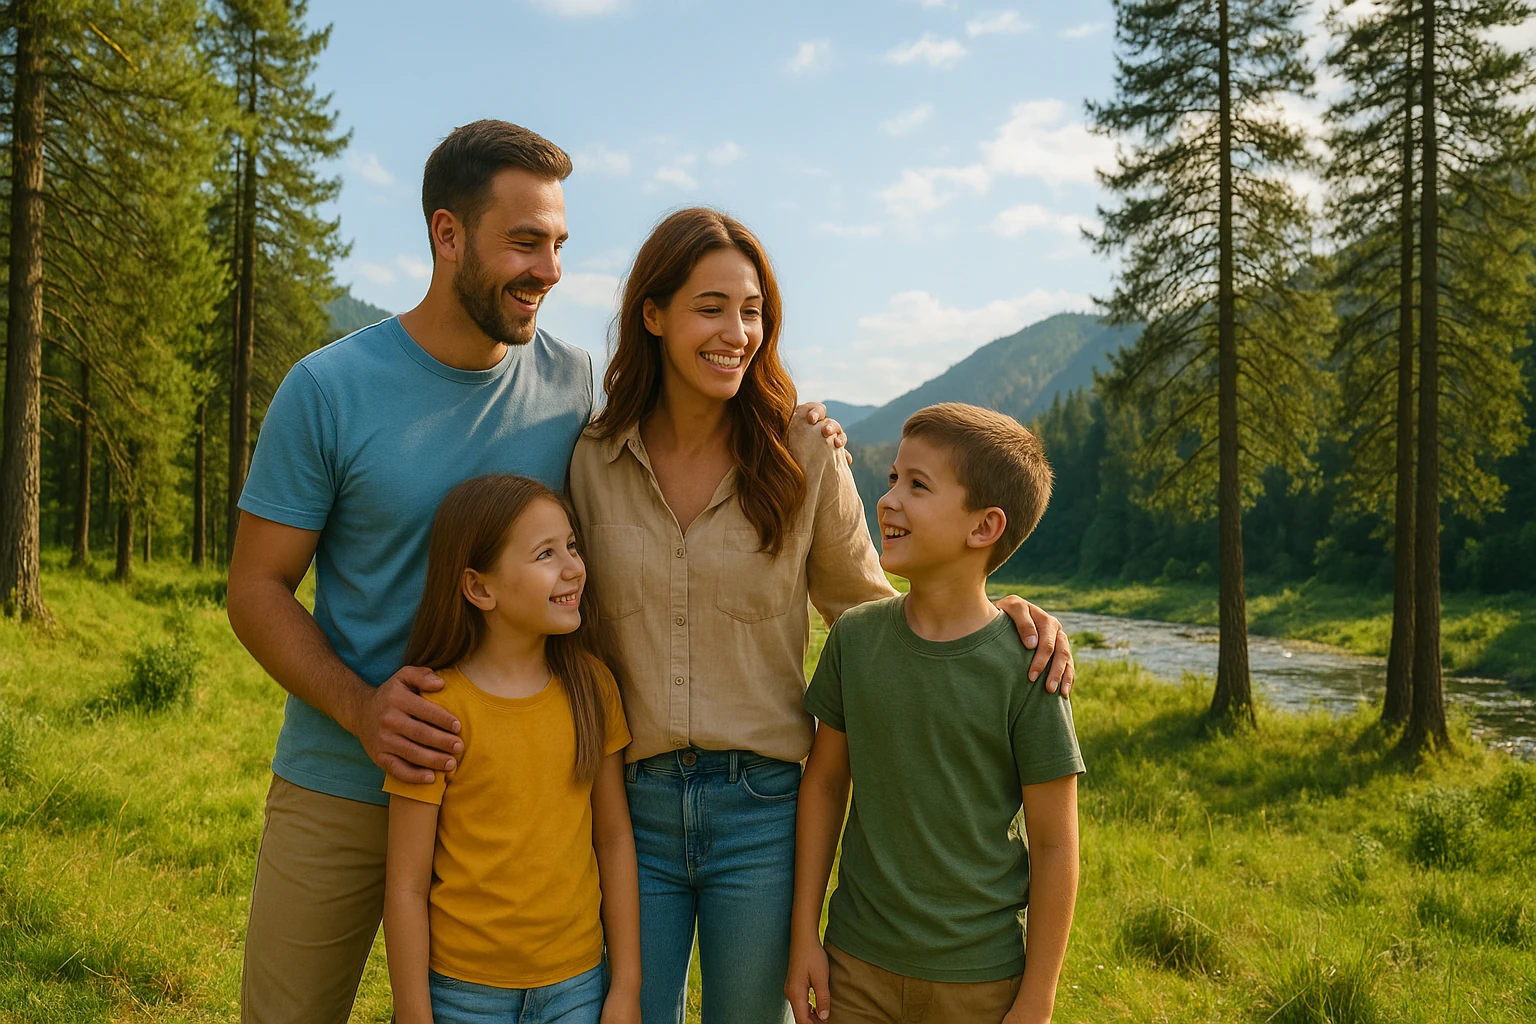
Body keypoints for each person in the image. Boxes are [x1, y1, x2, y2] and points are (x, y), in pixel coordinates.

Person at [226, 120, 850, 1023]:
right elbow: (254, 589)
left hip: (519, 798)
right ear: (447, 236)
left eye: (558, 243)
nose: (550, 270)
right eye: (524, 242)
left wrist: (805, 424)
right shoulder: (328, 389)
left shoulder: (573, 390)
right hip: (346, 774)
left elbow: (673, 456)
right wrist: (363, 709)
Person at [568, 210, 1079, 1024]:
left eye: (752, 311)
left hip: (763, 815)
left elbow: (882, 609)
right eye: (710, 307)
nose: (736, 331)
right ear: (653, 315)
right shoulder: (591, 458)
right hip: (627, 811)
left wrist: (1000, 611)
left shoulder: (802, 454)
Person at [785, 402, 1084, 1024]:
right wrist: (803, 935)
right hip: (854, 969)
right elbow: (824, 784)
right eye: (893, 478)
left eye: (917, 485)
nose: (889, 499)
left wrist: (1037, 999)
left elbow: (1055, 845)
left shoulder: (1029, 666)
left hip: (980, 981)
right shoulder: (855, 638)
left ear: (984, 527)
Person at [382, 475, 639, 1024]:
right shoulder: (435, 709)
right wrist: (413, 1012)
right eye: (545, 553)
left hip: (577, 987)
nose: (573, 567)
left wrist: (627, 988)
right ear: (479, 588)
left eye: (572, 546)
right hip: (463, 996)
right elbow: (405, 883)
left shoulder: (593, 689)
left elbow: (614, 839)